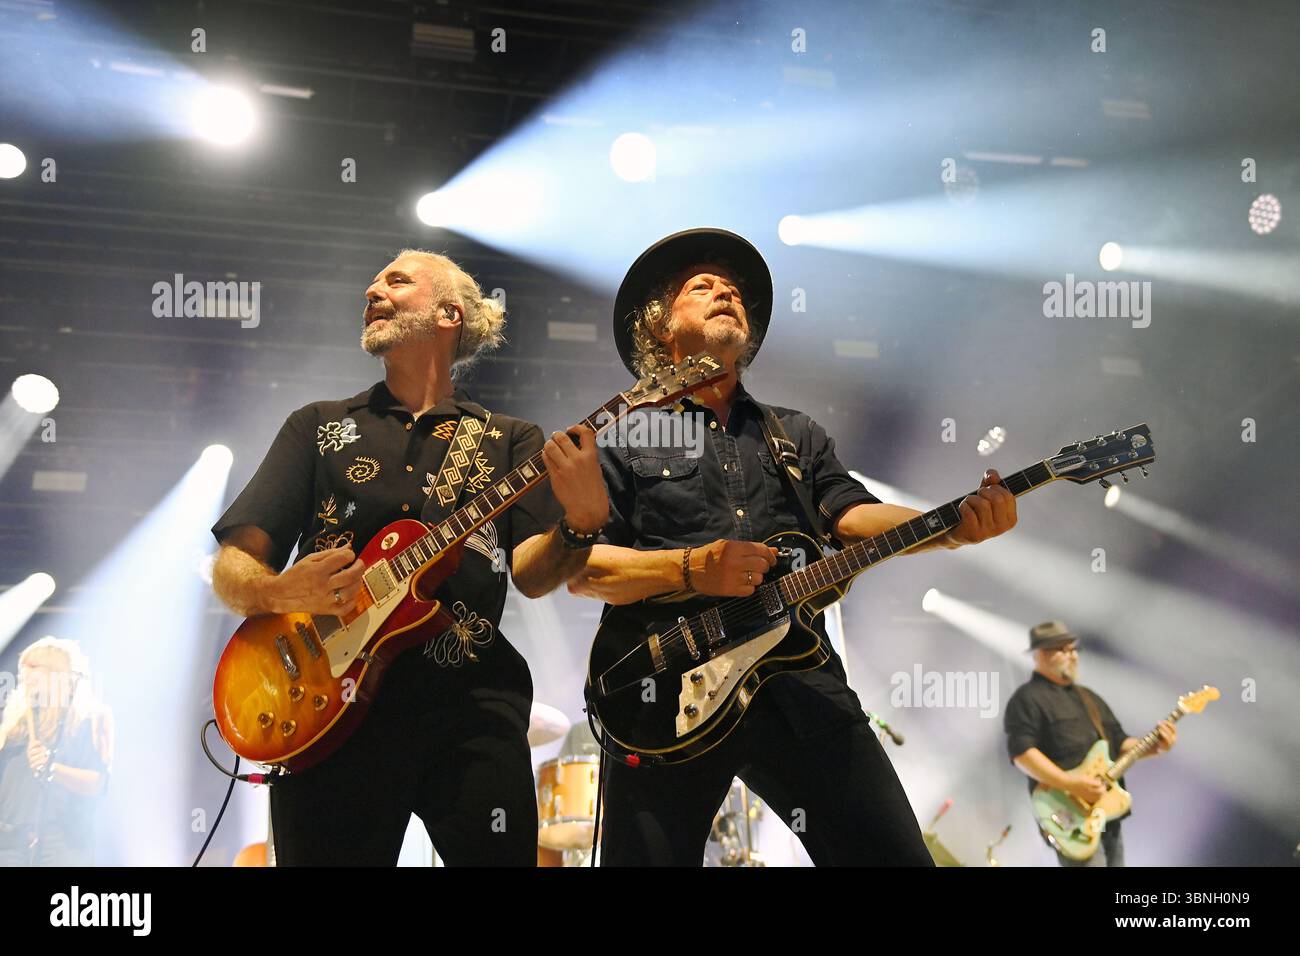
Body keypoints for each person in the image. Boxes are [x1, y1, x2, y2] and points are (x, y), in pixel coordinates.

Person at [569, 228, 1019, 865]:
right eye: (702, 287)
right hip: (663, 690)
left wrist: (947, 525)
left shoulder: (795, 434)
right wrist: (695, 570)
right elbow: (586, 568)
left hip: (803, 680)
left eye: (733, 291)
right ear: (661, 327)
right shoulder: (621, 435)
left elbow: (852, 515)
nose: (726, 292)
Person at [210, 249, 608, 866]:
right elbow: (235, 563)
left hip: (471, 702)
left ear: (452, 312)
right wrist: (279, 592)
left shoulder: (510, 440)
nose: (372, 291)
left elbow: (531, 575)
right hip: (328, 704)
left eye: (396, 281)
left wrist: (580, 528)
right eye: (371, 283)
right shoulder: (317, 426)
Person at [1004, 620, 1176, 867]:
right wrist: (1072, 784)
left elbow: (1120, 744)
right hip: (1067, 813)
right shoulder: (1027, 699)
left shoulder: (1090, 699)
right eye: (1064, 649)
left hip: (1106, 811)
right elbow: (1022, 754)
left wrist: (1156, 746)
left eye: (1074, 649)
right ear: (1041, 654)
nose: (1073, 655)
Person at [0, 637, 112, 866]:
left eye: (35, 668)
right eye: (24, 668)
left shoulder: (86, 721)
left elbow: (97, 783)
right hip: (10, 843)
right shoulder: (14, 726)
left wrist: (52, 768)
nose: (25, 675)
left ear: (58, 674)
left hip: (61, 843)